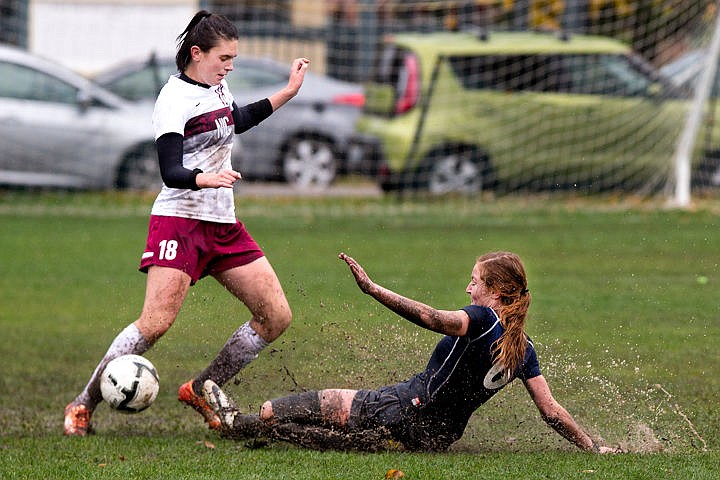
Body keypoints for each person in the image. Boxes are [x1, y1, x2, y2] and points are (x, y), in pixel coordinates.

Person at [63, 10, 310, 436]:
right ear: (197, 54)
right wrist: (204, 178)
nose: (230, 66)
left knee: (276, 317)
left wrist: (287, 92)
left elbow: (237, 120)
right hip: (179, 222)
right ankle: (83, 404)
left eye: (233, 58)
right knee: (156, 322)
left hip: (222, 223)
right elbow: (169, 171)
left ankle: (202, 387)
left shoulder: (216, 86)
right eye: (224, 58)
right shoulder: (173, 100)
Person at [202, 252, 621, 453]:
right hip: (435, 437)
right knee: (330, 439)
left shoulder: (482, 319)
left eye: (474, 281)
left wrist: (373, 289)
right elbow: (550, 411)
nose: (468, 288)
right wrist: (590, 445)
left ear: (493, 293)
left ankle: (236, 423)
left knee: (281, 410)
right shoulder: (523, 350)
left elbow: (432, 317)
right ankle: (252, 428)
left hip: (401, 408)